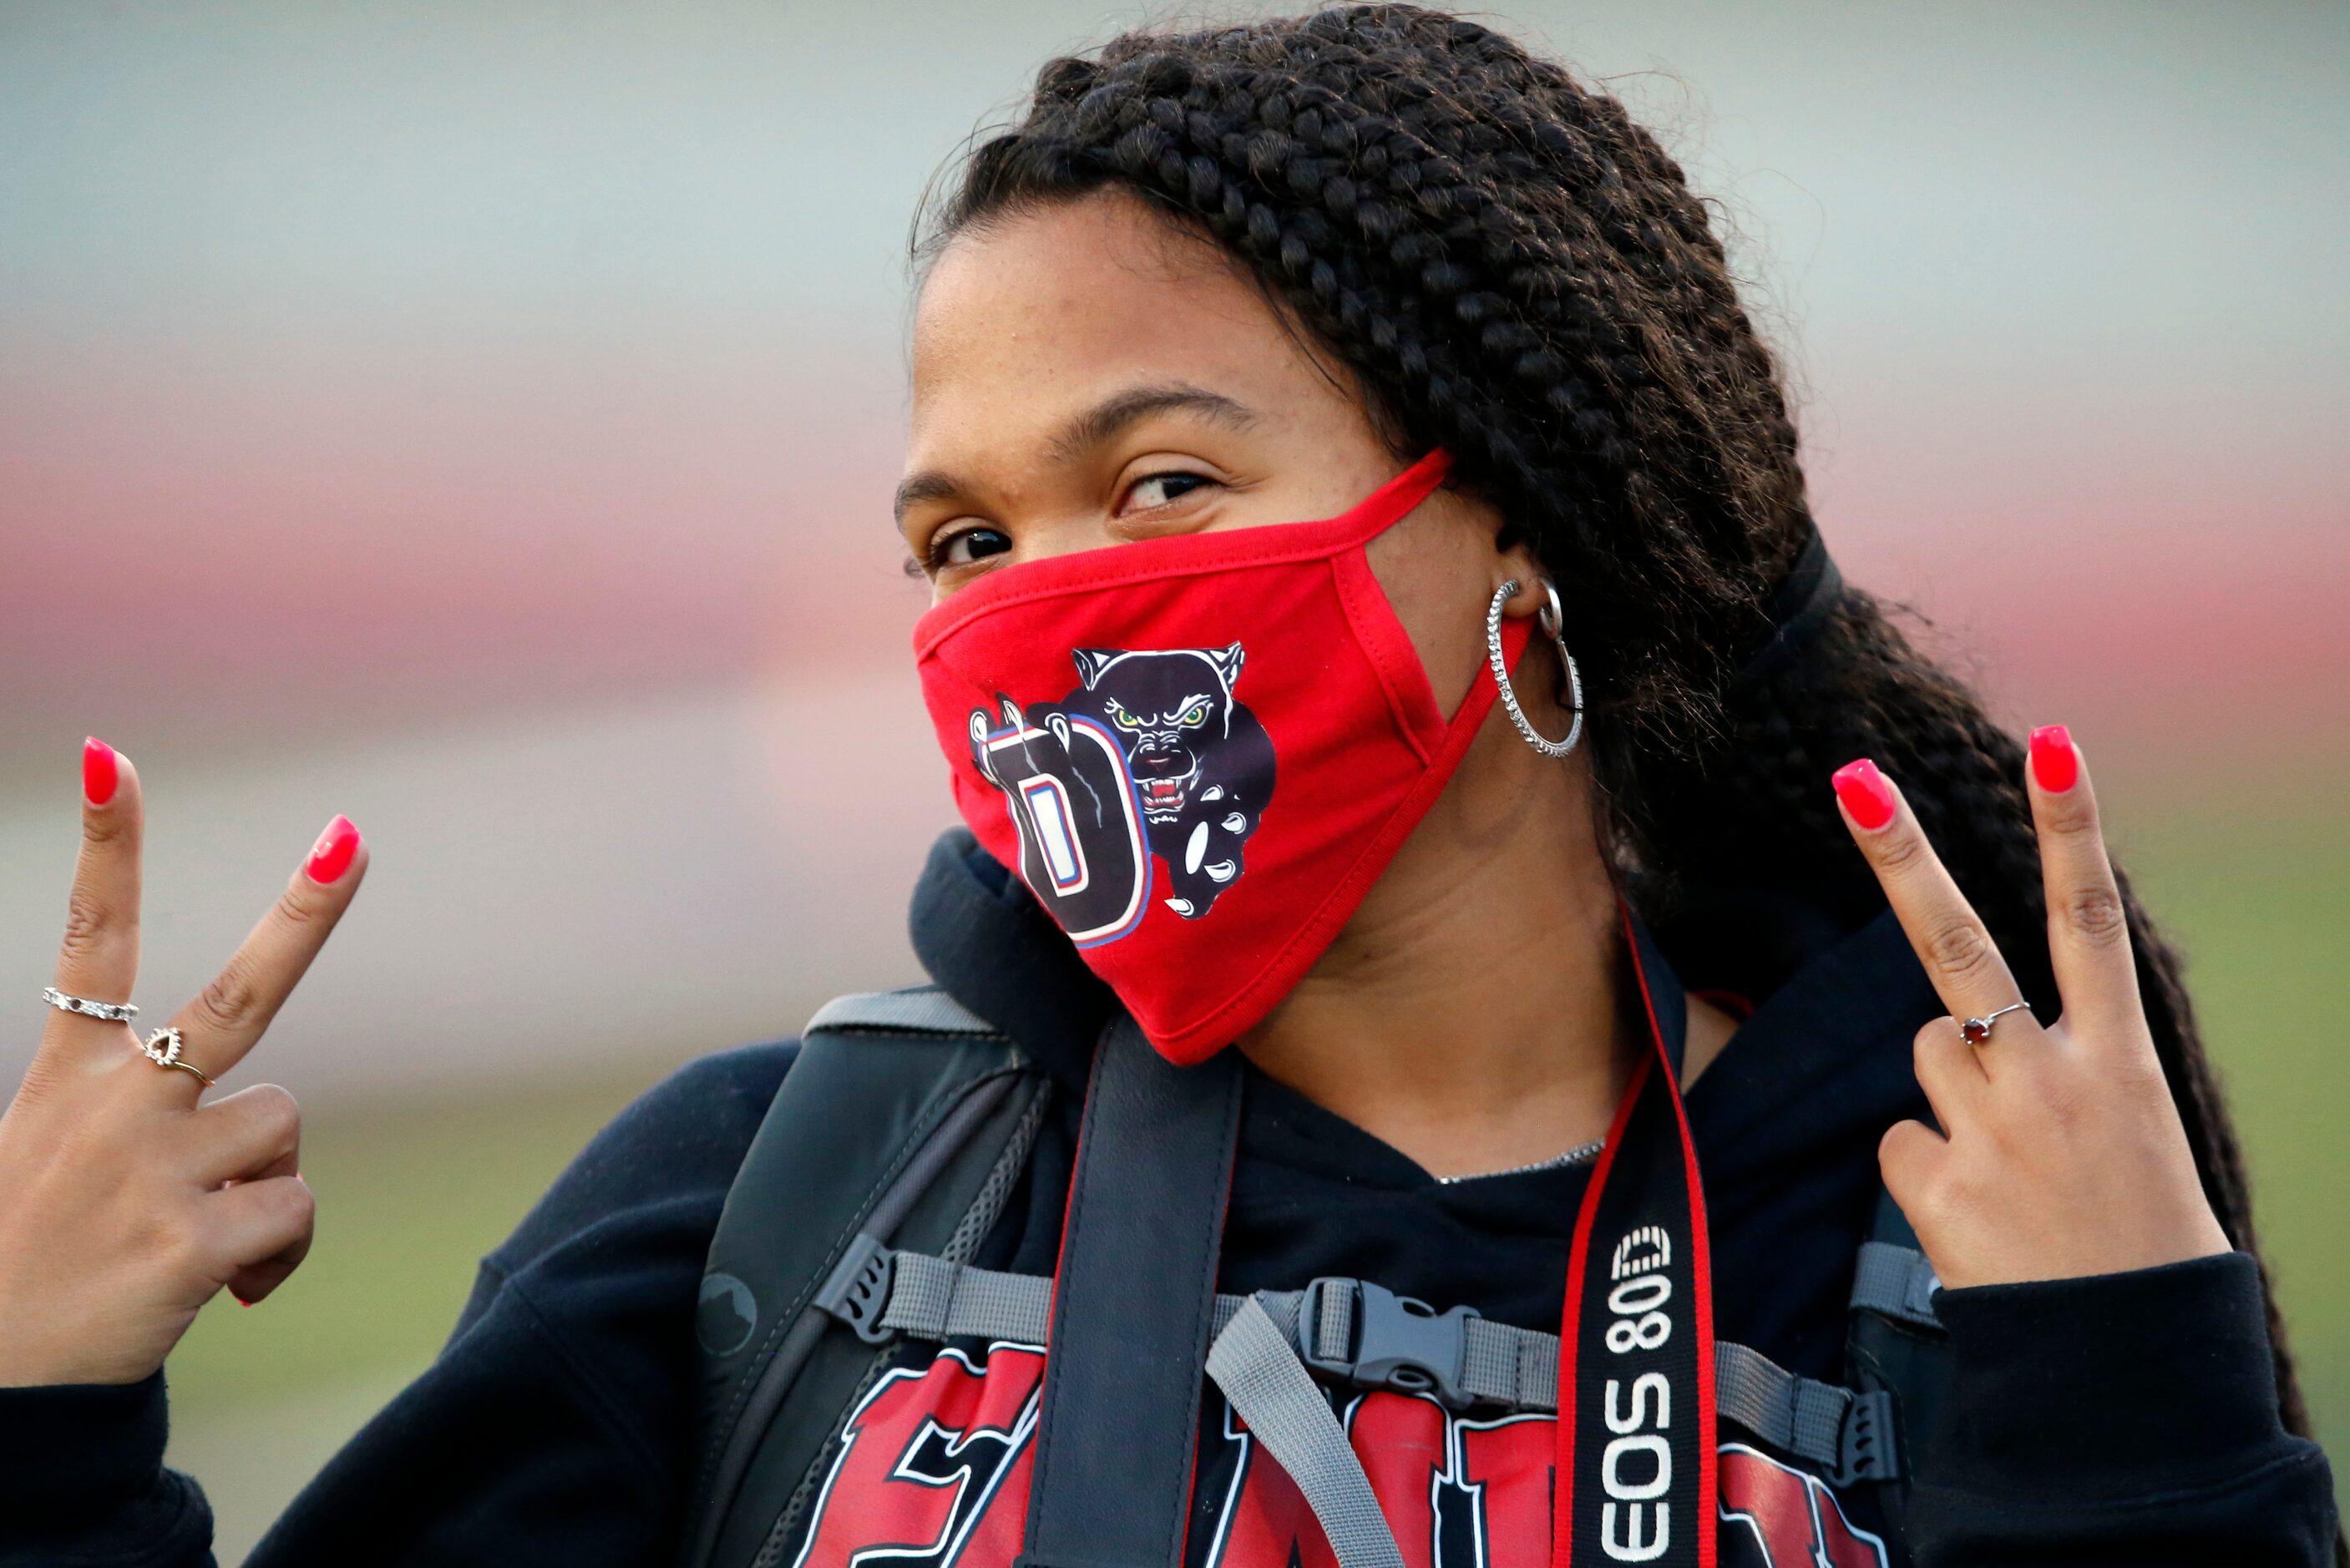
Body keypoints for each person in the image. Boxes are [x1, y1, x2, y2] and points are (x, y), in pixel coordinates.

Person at [0, 8, 2336, 1566]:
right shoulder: (770, 1206)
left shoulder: (1962, 1254)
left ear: (1523, 527)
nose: (1046, 612)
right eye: (967, 542)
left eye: (1164, 484)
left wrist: (2138, 1412)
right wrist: (30, 1417)